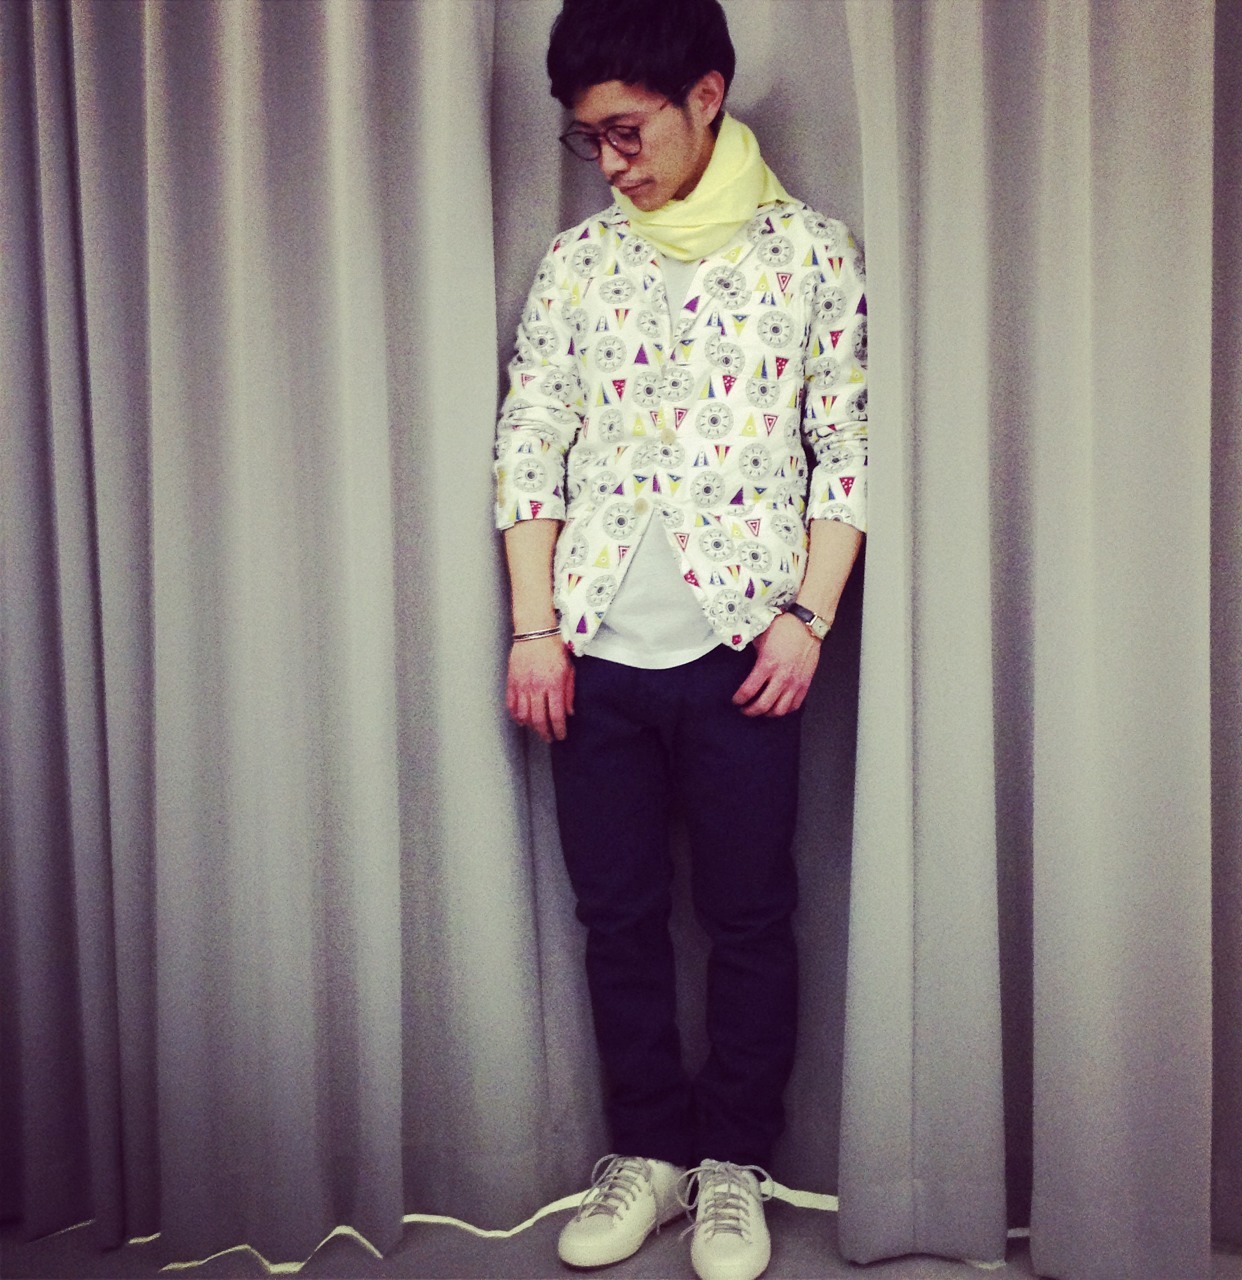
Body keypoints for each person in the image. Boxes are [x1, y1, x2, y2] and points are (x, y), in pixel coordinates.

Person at [494, 2, 866, 1276]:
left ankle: (732, 1168)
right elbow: (529, 446)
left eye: (625, 129)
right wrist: (533, 627)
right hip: (591, 653)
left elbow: (844, 450)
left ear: (705, 95)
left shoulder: (810, 254)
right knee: (616, 914)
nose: (609, 161)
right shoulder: (575, 265)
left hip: (743, 653)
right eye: (585, 139)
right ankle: (648, 1155)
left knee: (751, 916)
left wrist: (807, 616)